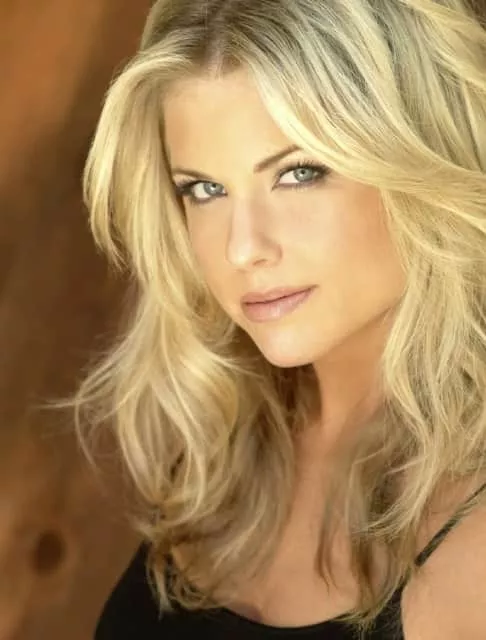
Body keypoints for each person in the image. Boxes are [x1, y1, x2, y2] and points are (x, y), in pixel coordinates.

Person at [73, 0, 486, 638]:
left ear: (417, 161)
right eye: (204, 189)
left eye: (299, 173)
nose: (243, 249)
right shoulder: (232, 438)